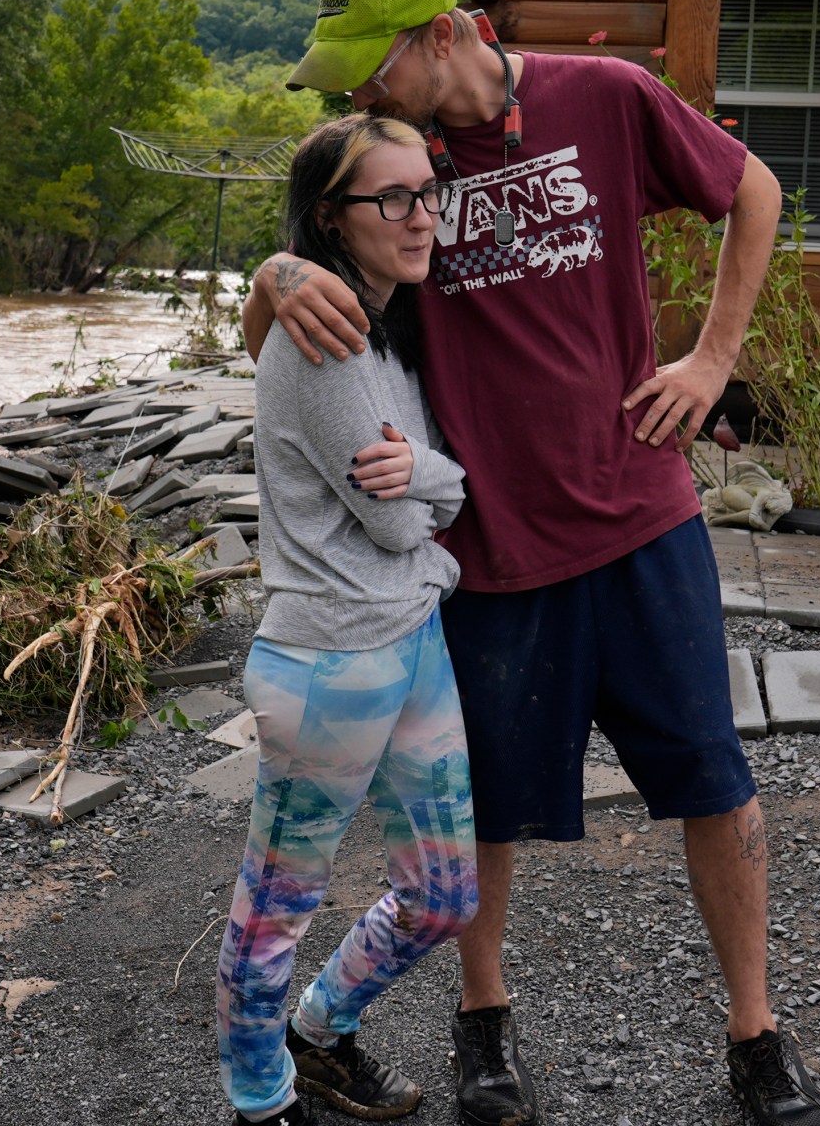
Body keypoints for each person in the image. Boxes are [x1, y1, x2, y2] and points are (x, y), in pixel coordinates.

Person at [243, 0, 820, 1126]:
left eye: (377, 69)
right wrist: (270, 274)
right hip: (490, 549)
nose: (362, 95)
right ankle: (485, 1030)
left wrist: (713, 358)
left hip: (642, 516)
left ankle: (758, 1039)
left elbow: (753, 188)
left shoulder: (601, 97)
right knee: (494, 807)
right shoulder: (394, 172)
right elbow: (291, 277)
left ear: (448, 33)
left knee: (714, 783)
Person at [215, 113, 480, 1126]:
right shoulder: (323, 339)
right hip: (327, 659)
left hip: (413, 639)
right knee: (276, 906)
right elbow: (391, 515)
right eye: (393, 199)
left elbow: (421, 497)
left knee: (445, 894)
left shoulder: (394, 326)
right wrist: (441, 482)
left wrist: (430, 478)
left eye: (429, 193)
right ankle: (258, 1095)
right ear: (332, 215)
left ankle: (318, 1031)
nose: (422, 218)